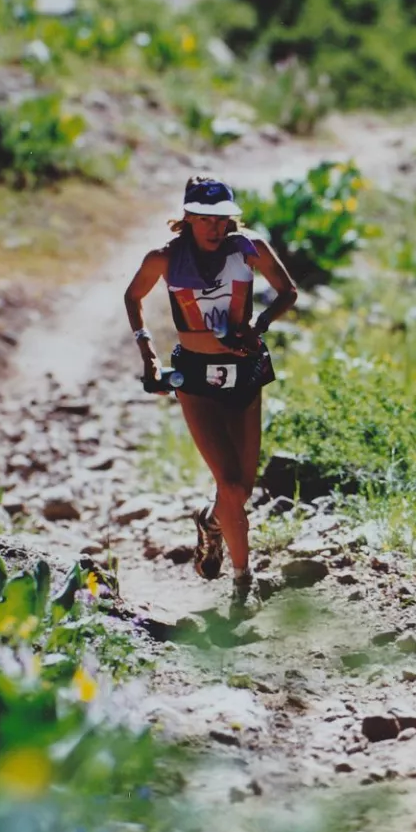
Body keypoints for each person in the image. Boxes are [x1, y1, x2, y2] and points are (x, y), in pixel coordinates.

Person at [124, 176, 298, 615]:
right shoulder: (163, 258)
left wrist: (257, 327)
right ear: (188, 218)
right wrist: (147, 349)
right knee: (228, 482)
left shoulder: (249, 247)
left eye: (222, 220)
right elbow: (133, 296)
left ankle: (211, 520)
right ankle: (244, 583)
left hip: (246, 369)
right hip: (195, 375)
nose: (215, 228)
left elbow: (288, 291)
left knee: (243, 489)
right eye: (204, 219)